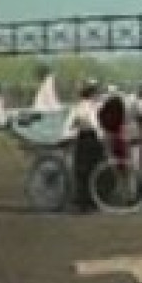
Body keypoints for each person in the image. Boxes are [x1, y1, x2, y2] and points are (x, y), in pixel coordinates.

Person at [61, 80, 106, 212]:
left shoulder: (77, 107)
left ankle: (82, 201)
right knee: (95, 170)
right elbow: (95, 125)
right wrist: (101, 137)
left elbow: (66, 126)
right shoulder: (93, 107)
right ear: (92, 94)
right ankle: (94, 200)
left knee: (81, 172)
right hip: (93, 139)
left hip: (82, 139)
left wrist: (71, 134)